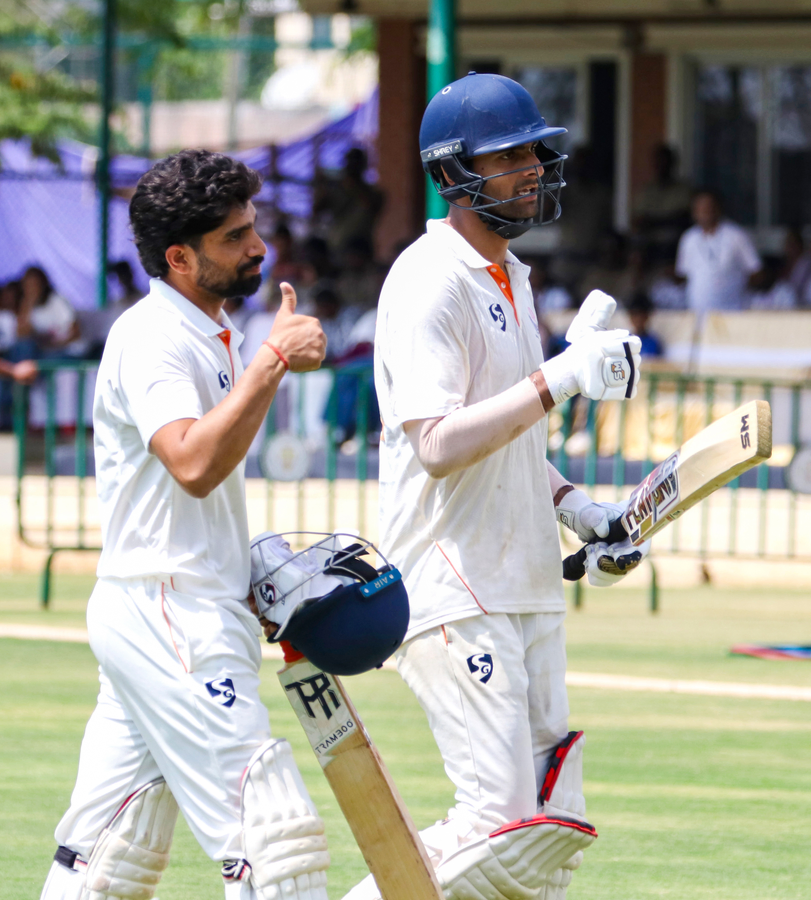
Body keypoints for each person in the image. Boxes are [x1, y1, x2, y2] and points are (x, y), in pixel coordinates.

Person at [348, 73, 647, 900]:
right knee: (503, 825)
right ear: (453, 174)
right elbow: (440, 444)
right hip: (453, 582)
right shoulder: (427, 281)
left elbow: (511, 441)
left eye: (532, 153)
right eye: (507, 155)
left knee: (545, 831)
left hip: (521, 583)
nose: (529, 169)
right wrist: (560, 377)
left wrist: (580, 510)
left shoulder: (510, 276)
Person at [39, 149, 328, 900]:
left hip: (179, 602)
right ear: (179, 257)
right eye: (233, 237)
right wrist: (271, 363)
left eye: (252, 227)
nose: (257, 246)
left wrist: (248, 561)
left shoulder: (214, 329)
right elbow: (191, 463)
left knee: (105, 856)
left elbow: (207, 479)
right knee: (276, 843)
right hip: (171, 612)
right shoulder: (153, 338)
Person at [675, 188, 762, 312]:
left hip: (732, 311)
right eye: (701, 209)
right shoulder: (688, 238)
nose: (705, 212)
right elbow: (683, 275)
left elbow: (756, 271)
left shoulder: (736, 235)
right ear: (694, 212)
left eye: (709, 207)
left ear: (718, 209)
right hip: (698, 312)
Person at [632, 144, 692, 263]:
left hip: (675, 249)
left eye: (665, 161)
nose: (662, 166)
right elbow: (637, 221)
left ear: (673, 164)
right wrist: (668, 219)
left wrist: (654, 221)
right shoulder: (646, 191)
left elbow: (684, 219)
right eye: (658, 162)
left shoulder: (684, 190)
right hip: (649, 250)